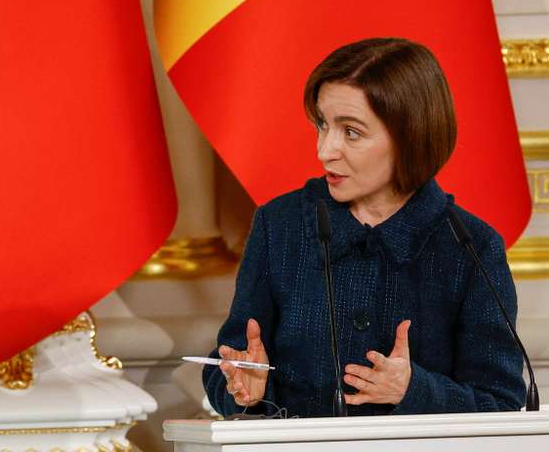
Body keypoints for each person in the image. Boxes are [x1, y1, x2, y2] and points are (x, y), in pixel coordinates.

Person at [204, 38, 525, 417]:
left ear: (410, 137)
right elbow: (229, 363)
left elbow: (501, 404)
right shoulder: (281, 225)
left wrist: (413, 389)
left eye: (351, 132)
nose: (325, 150)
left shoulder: (470, 246)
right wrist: (247, 389)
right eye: (323, 125)